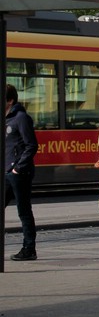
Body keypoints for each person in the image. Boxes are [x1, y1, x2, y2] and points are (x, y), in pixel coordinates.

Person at [4, 84, 38, 261]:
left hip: (19, 173)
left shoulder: (21, 118)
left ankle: (29, 248)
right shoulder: (7, 119)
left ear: (9, 100)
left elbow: (31, 145)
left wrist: (18, 167)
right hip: (6, 172)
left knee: (24, 211)